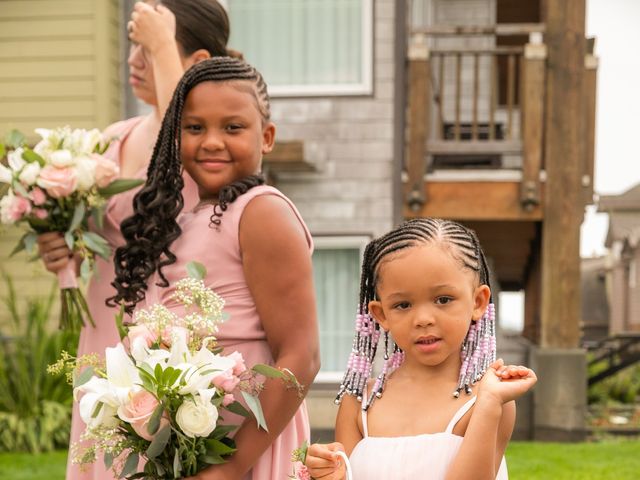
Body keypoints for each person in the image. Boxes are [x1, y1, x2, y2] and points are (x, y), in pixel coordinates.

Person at [35, 2, 233, 478]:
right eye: (132, 47)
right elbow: (92, 241)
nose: (132, 61)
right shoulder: (115, 139)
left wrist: (163, 43)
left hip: (170, 330)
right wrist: (63, 248)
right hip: (106, 326)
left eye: (145, 48)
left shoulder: (207, 146)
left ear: (195, 60)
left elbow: (178, 168)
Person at [109, 57, 321, 480]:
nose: (211, 141)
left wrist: (230, 467)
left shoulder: (261, 213)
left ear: (267, 137)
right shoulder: (186, 218)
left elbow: (302, 356)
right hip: (187, 452)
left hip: (245, 448)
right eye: (194, 128)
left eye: (232, 127)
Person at [304, 218, 537, 480]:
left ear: (478, 301)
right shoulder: (358, 403)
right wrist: (326, 472)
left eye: (443, 299)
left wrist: (490, 404)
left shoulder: (489, 398)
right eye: (403, 305)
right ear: (381, 315)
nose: (423, 319)